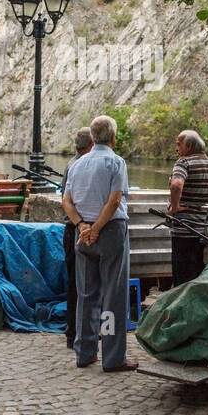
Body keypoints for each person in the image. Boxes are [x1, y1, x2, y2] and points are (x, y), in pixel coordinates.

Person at [61, 115, 135, 372]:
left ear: (91, 138)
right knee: (113, 297)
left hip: (82, 234)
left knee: (86, 295)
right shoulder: (117, 162)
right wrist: (97, 228)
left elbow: (66, 201)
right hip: (110, 231)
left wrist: (82, 226)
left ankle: (84, 352)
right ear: (114, 138)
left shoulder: (77, 165)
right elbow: (114, 201)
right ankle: (113, 358)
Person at [167, 129, 208, 287]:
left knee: (183, 282)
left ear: (188, 146)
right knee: (203, 279)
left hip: (185, 232)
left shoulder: (183, 162)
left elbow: (176, 185)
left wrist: (174, 208)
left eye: (178, 144)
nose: (177, 148)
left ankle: (184, 310)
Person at [61, 127, 94, 349]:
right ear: (91, 145)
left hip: (73, 227)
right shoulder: (80, 166)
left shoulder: (71, 164)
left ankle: (75, 332)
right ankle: (76, 332)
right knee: (80, 284)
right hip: (79, 229)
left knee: (76, 284)